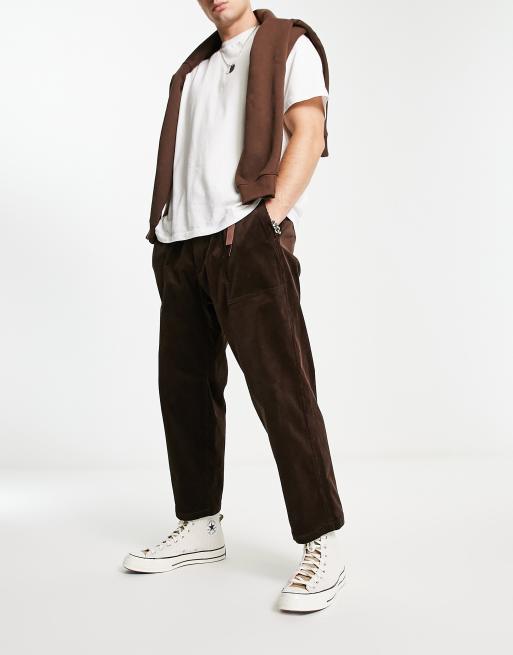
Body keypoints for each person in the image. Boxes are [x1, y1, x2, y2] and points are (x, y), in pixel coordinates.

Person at [123, 1, 346, 613]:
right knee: (185, 394)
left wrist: (265, 223)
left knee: (283, 391)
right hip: (182, 246)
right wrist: (167, 232)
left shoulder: (288, 44)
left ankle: (323, 540)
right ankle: (200, 525)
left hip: (245, 239)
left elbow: (308, 132)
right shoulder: (193, 69)